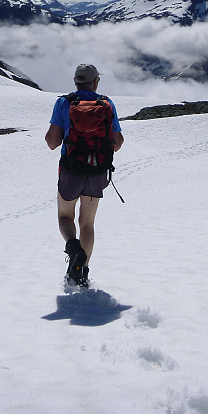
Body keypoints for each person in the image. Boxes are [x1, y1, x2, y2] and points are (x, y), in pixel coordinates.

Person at [45, 63, 124, 287]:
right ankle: (82, 274)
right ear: (96, 82)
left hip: (70, 169)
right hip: (97, 170)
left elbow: (52, 143)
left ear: (75, 81)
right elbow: (117, 143)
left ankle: (73, 249)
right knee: (87, 224)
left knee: (64, 217)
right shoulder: (106, 104)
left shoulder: (63, 103)